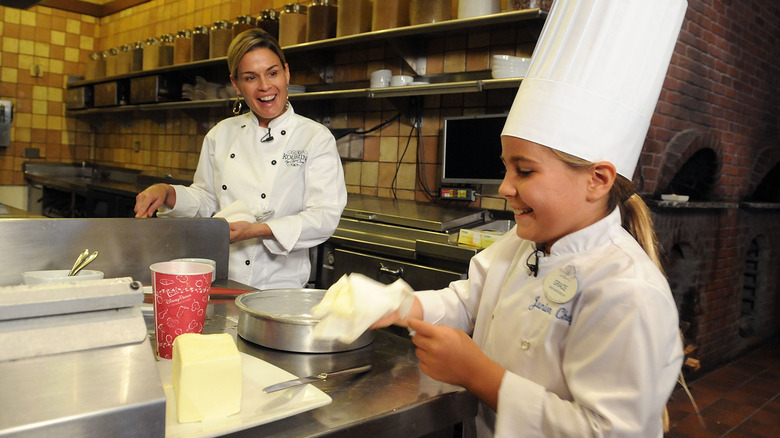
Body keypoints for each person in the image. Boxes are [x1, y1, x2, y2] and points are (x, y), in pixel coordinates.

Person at [365, 0, 688, 436]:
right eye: (506, 167)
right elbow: (468, 301)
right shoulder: (522, 245)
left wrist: (480, 375)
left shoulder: (628, 292)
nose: (504, 187)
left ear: (597, 179)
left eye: (525, 170)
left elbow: (606, 431)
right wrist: (401, 305)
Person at [134, 28, 347, 290]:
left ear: (286, 73)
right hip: (222, 277)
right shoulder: (221, 134)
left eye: (272, 73)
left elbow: (324, 217)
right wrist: (166, 193)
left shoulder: (314, 137)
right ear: (236, 84)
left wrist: (256, 230)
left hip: (279, 287)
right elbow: (206, 200)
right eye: (250, 77)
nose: (265, 86)